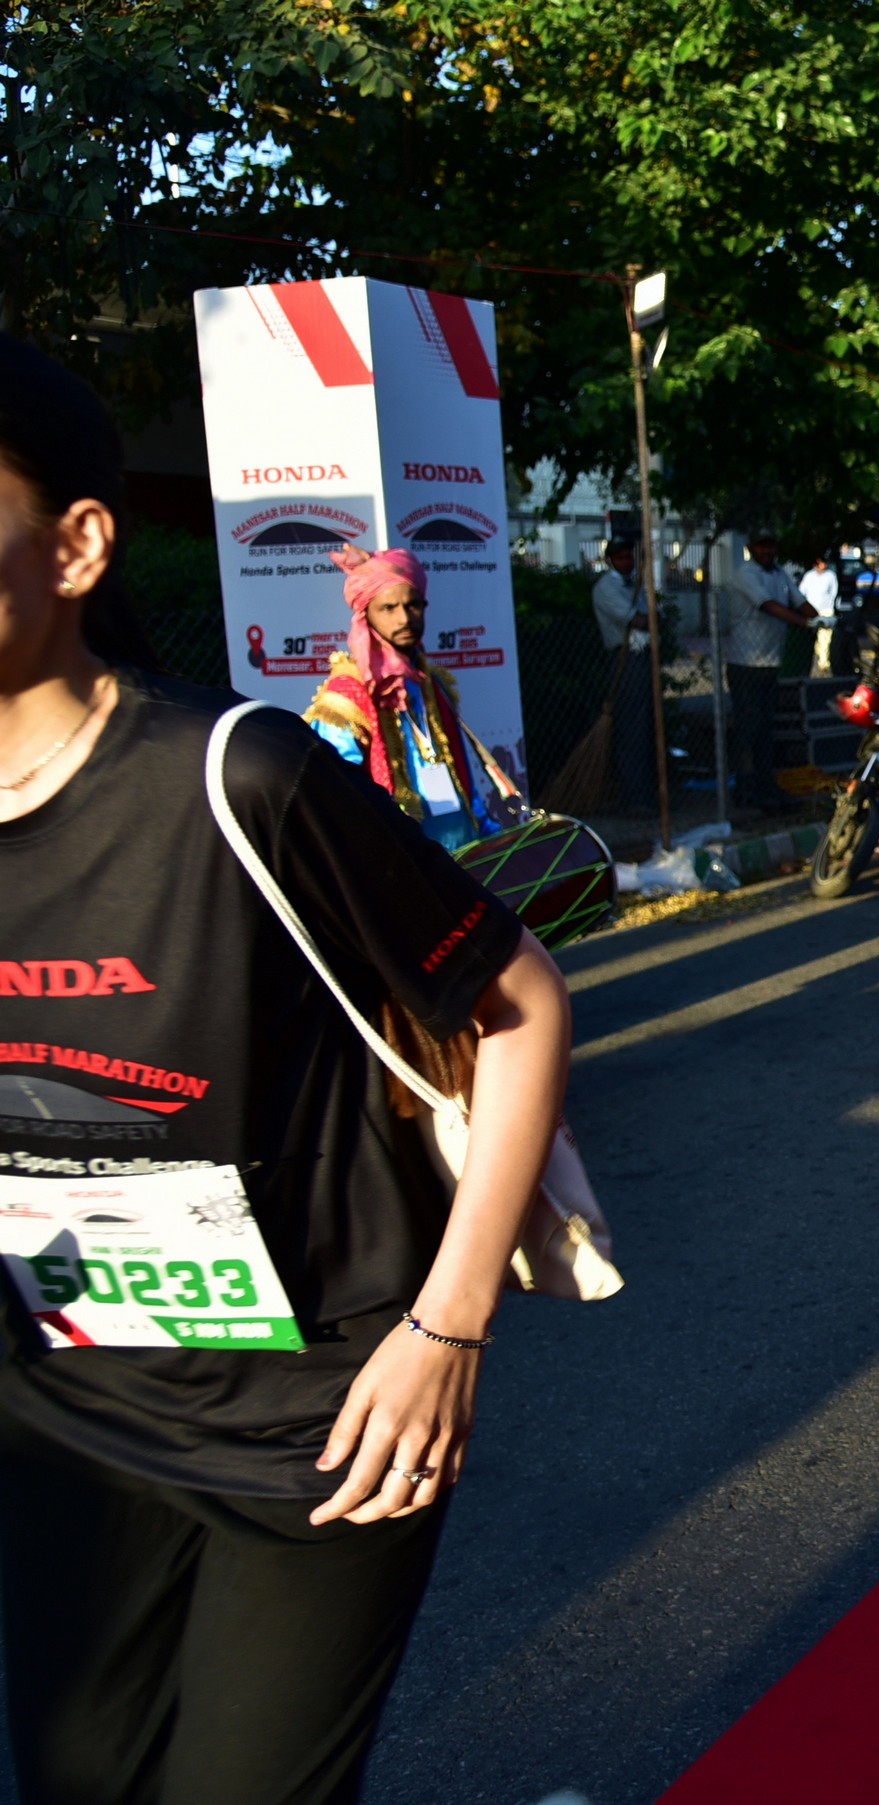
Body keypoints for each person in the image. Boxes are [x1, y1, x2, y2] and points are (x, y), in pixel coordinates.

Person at [0, 333, 572, 1805]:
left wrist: (448, 1328)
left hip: (322, 1420)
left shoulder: (235, 772)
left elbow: (519, 1001)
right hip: (62, 1417)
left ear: (74, 547)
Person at [302, 547, 506, 852]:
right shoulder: (346, 696)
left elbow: (465, 782)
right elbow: (338, 795)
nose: (404, 618)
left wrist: (488, 836)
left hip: (462, 853)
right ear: (365, 614)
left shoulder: (431, 682)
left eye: (413, 605)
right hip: (398, 859)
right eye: (388, 608)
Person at [717, 532, 815, 809]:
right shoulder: (745, 575)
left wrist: (821, 618)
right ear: (751, 548)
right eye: (761, 546)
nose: (767, 551)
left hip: (771, 662)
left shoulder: (780, 574)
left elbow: (800, 602)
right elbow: (768, 606)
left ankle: (766, 784)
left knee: (766, 729)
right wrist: (804, 623)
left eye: (771, 546)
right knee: (749, 728)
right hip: (746, 663)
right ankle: (746, 789)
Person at [590, 540, 658, 809]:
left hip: (644, 654)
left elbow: (657, 618)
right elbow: (636, 620)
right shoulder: (606, 588)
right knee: (632, 726)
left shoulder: (637, 585)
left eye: (629, 557)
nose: (627, 563)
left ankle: (647, 791)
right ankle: (634, 795)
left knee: (647, 725)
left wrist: (651, 619)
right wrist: (649, 619)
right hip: (624, 657)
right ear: (610, 560)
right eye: (621, 558)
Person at [799, 552, 844, 676]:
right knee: (812, 639)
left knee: (825, 638)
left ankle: (823, 663)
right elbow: (802, 592)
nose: (823, 565)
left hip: (825, 611)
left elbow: (834, 593)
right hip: (811, 611)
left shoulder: (831, 576)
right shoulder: (809, 576)